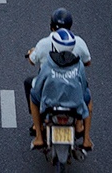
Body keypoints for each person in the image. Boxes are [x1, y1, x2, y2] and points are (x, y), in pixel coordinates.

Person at [24, 8, 93, 151]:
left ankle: (38, 135)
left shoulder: (48, 62)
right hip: (74, 99)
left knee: (33, 94)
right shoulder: (78, 61)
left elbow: (39, 85)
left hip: (50, 98)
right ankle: (85, 137)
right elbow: (83, 83)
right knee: (88, 96)